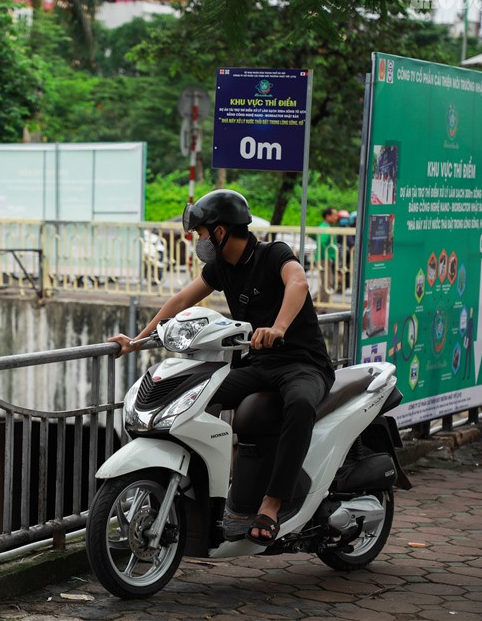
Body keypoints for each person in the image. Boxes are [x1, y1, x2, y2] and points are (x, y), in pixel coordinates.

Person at [109, 189, 334, 546]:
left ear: (222, 230)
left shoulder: (273, 254)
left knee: (301, 404)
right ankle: (203, 495)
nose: (198, 240)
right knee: (195, 398)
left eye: (201, 233)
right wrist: (137, 340)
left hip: (302, 363)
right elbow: (181, 299)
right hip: (258, 364)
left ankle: (273, 503)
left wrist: (278, 327)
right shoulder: (220, 269)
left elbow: (298, 283)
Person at [315, 207, 340, 304]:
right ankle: (319, 307)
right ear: (327, 216)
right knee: (327, 284)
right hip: (324, 259)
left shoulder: (326, 227)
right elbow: (322, 243)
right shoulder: (325, 228)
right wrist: (327, 257)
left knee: (326, 284)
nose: (336, 217)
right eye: (334, 215)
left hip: (325, 259)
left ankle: (315, 304)